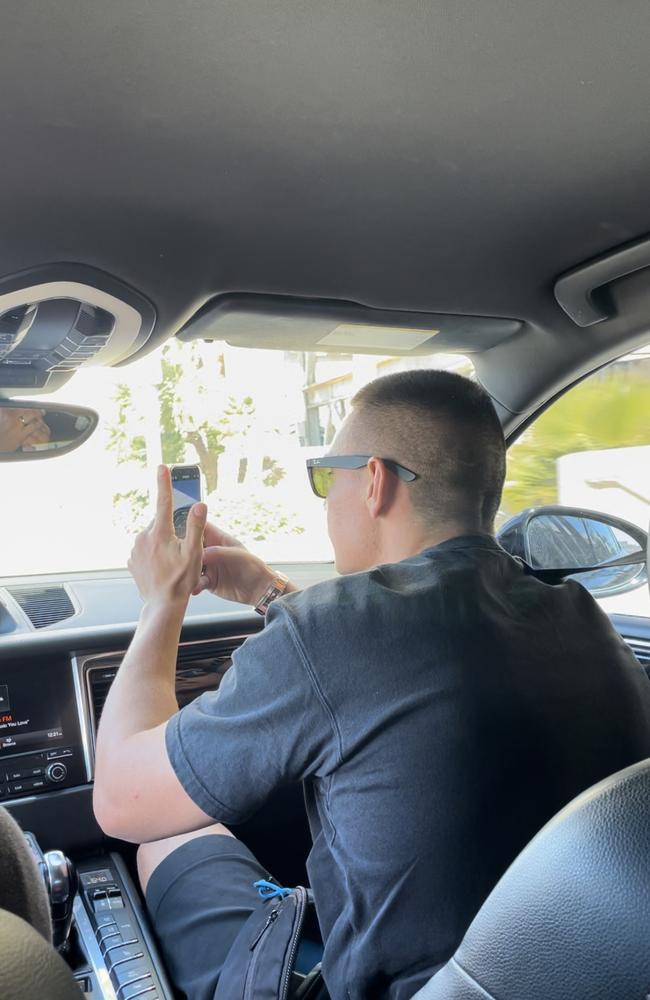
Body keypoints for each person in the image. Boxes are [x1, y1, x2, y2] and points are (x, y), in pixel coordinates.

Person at [93, 370, 650, 1000]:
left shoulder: (330, 633)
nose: (326, 497)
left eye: (329, 476)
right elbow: (399, 654)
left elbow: (122, 800)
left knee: (171, 837)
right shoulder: (580, 614)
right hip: (580, 977)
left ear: (376, 483)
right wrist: (265, 590)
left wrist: (161, 602)